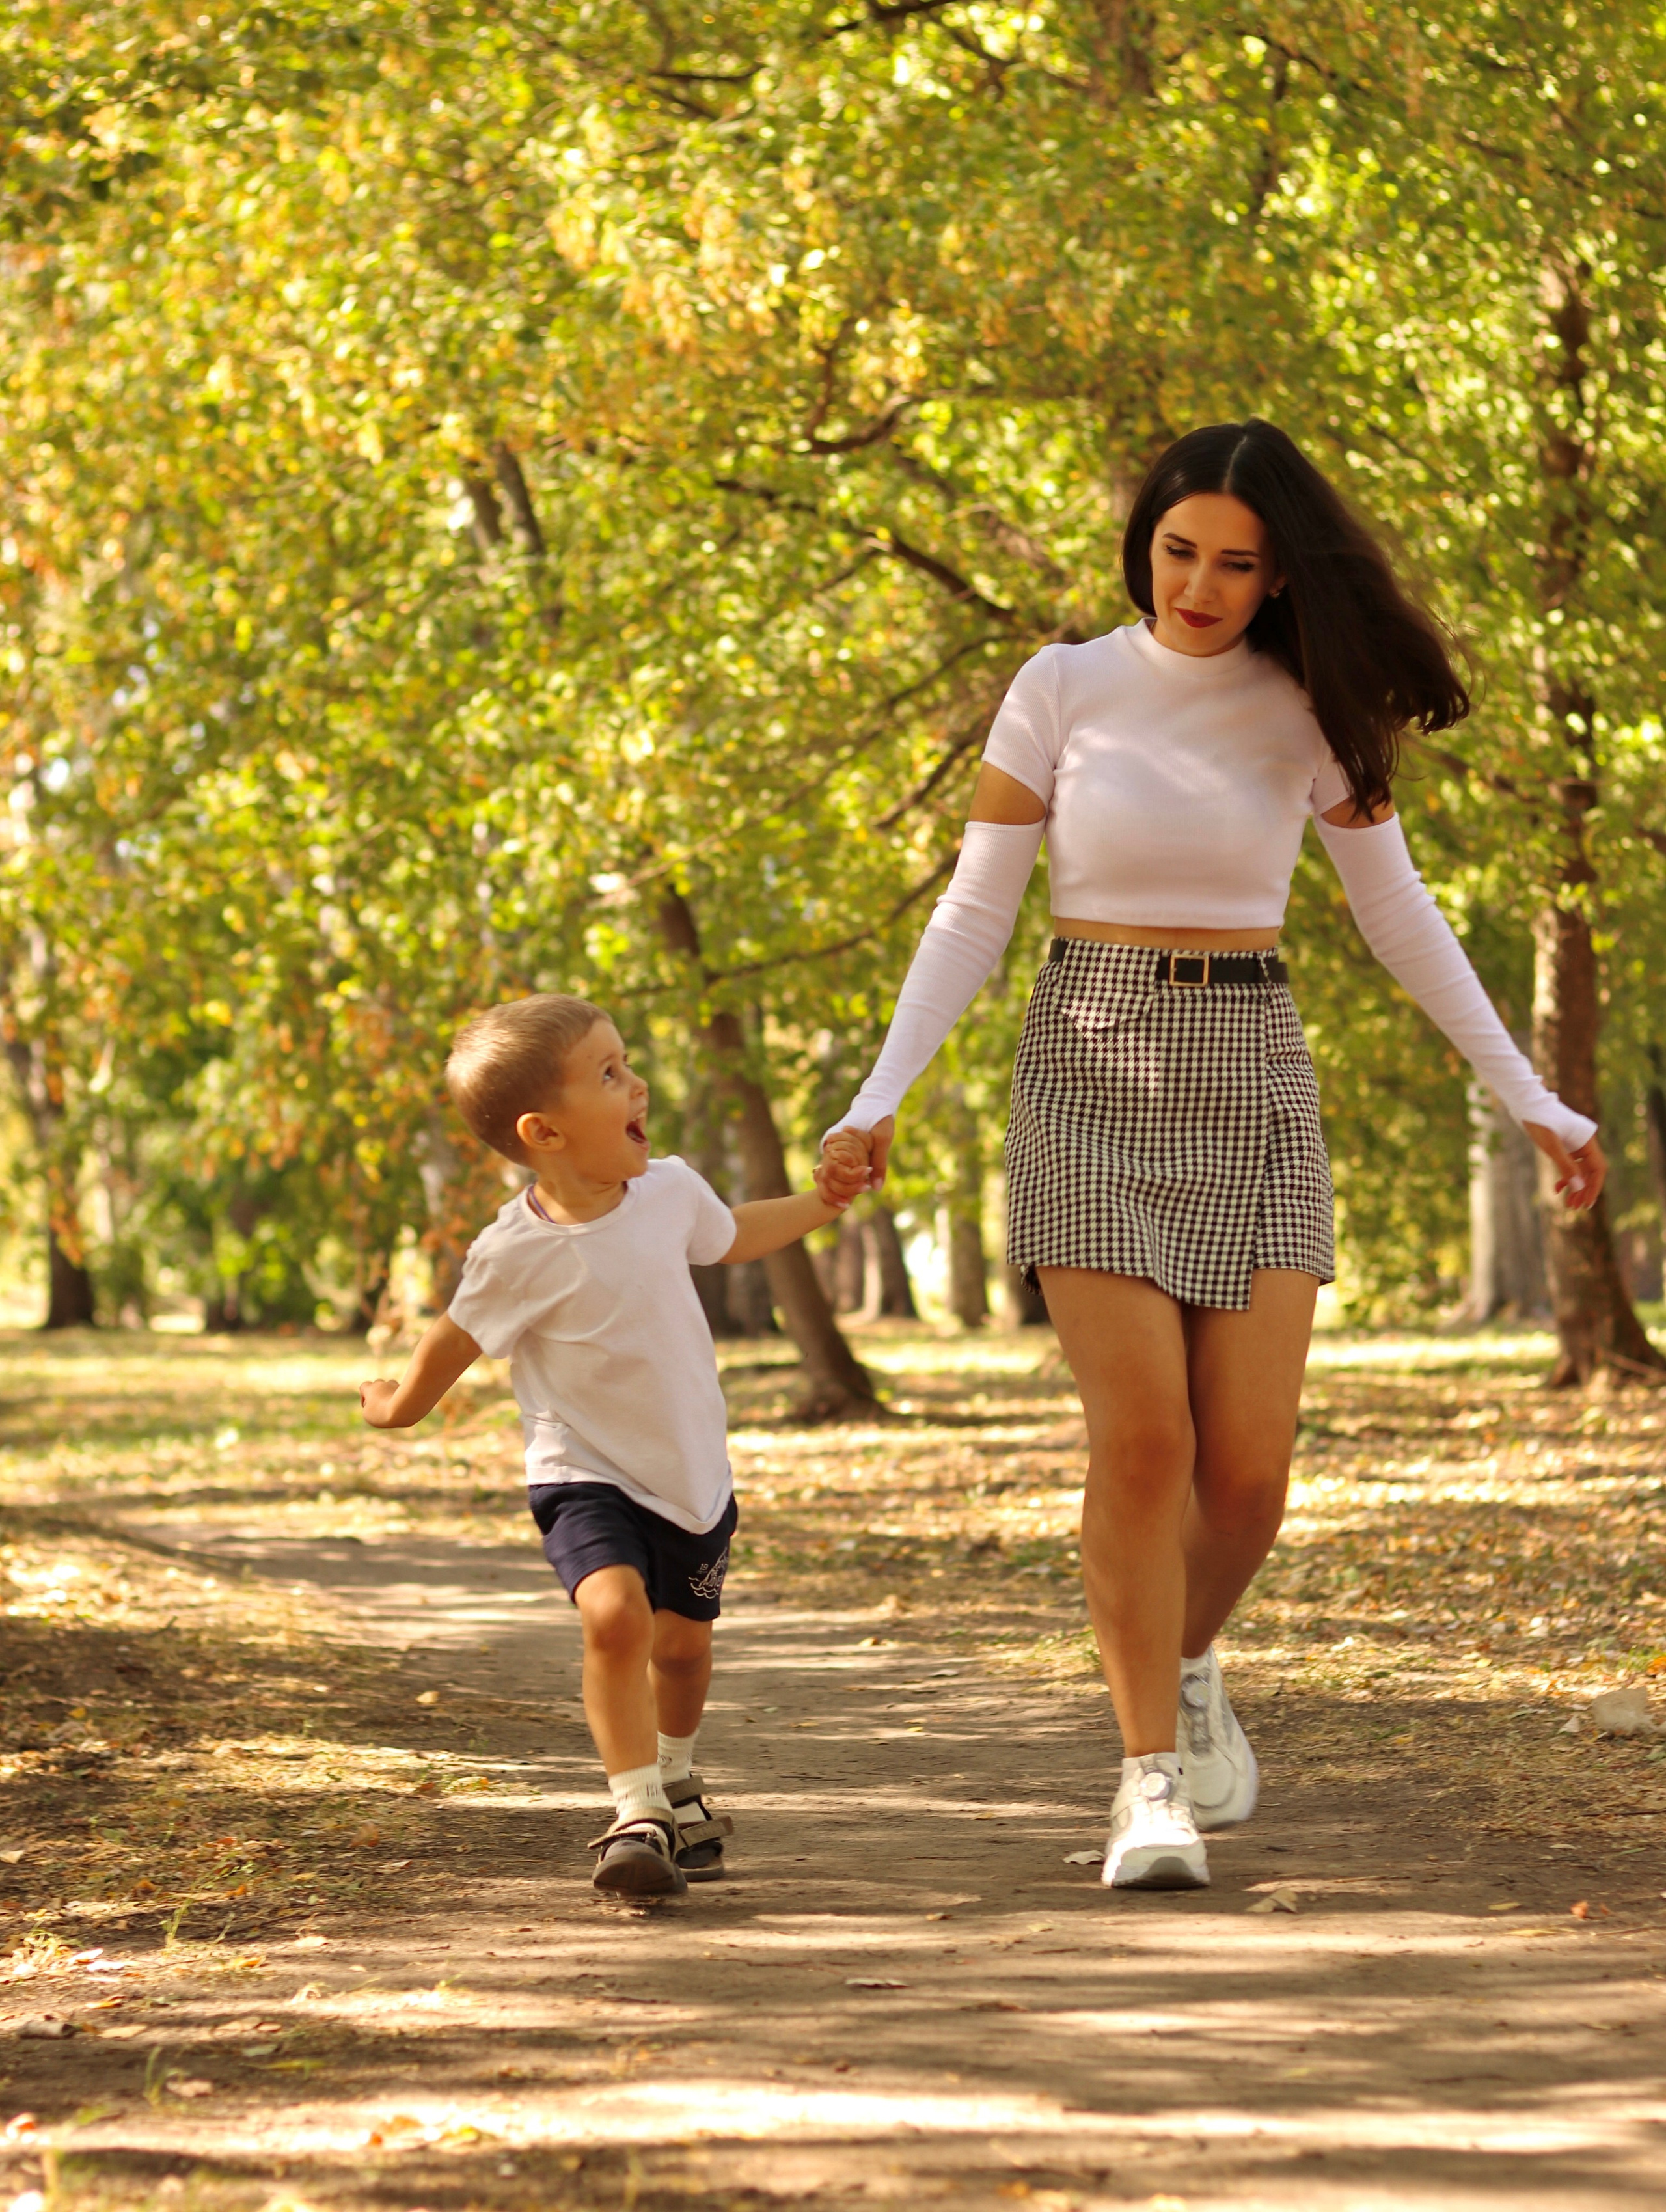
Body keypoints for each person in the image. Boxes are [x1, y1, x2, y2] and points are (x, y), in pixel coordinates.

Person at [823, 418, 1604, 1892]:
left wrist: (1530, 1098)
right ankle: (1146, 1784)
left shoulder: (1307, 709)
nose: (1196, 587)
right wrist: (879, 1094)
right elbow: (974, 910)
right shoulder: (1061, 688)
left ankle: (1180, 1656)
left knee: (1245, 1478)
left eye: (1235, 565)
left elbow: (1397, 915)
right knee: (1145, 1443)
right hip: (1088, 1060)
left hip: (1252, 1066)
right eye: (1177, 551)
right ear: (1144, 545)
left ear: (1280, 577)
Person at [360, 993, 857, 1898]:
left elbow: (733, 1235)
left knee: (684, 1651)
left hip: (691, 1478)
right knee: (616, 1617)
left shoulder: (669, 1191)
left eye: (626, 1063)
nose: (638, 1085)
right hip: (582, 1472)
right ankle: (637, 1813)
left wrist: (821, 1203)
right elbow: (456, 1337)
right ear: (544, 1132)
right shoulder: (513, 1253)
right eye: (609, 1074)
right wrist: (400, 1405)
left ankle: (675, 1775)